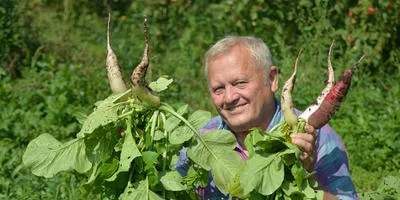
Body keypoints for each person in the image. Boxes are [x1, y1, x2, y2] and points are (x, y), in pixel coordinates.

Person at [176, 36, 358, 200]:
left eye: (240, 83)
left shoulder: (317, 138)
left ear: (272, 79)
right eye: (218, 89)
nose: (229, 97)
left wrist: (305, 179)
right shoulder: (200, 140)